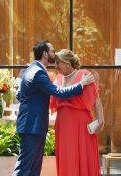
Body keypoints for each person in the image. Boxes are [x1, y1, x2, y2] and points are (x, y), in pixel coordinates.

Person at [12, 40, 94, 176]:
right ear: (45, 54)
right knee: (24, 167)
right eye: (52, 51)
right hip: (31, 126)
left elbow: (20, 95)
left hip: (33, 125)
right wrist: (81, 84)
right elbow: (59, 92)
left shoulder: (31, 69)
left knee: (33, 168)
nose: (54, 54)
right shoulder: (38, 72)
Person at [50, 49, 105, 176]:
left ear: (67, 63)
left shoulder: (84, 75)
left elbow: (96, 99)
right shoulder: (57, 79)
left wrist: (101, 119)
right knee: (66, 156)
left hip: (81, 124)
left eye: (58, 62)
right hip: (63, 125)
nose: (55, 66)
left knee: (82, 155)